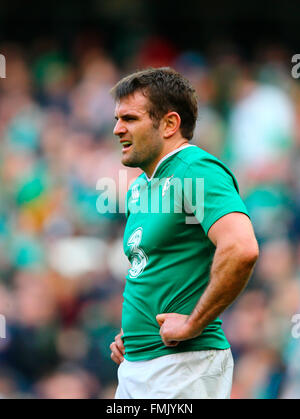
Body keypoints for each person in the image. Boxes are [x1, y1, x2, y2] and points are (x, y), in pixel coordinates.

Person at [109, 67, 259, 399]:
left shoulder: (195, 169)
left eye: (130, 119)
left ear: (169, 124)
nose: (117, 129)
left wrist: (193, 323)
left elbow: (241, 248)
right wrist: (131, 333)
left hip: (183, 365)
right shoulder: (140, 189)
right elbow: (154, 267)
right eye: (117, 119)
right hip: (138, 364)